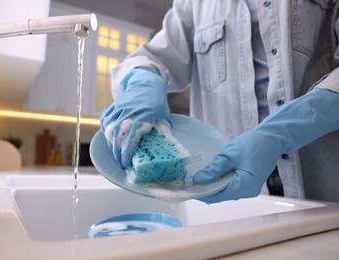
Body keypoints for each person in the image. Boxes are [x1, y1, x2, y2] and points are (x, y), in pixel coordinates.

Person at [100, 0, 339, 203]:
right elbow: (153, 56)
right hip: (227, 193)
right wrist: (143, 81)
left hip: (325, 195)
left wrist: (280, 132)